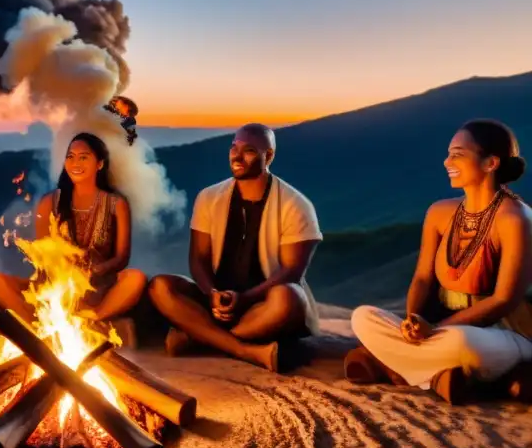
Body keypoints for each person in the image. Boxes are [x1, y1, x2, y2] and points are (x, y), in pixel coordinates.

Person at [347, 120, 532, 404]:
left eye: (458, 153)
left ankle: (393, 366)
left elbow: (504, 300)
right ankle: (440, 377)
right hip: (438, 328)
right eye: (448, 153)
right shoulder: (439, 213)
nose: (447, 161)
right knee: (362, 317)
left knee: (462, 343)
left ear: (491, 163)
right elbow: (422, 278)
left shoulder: (515, 218)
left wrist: (437, 330)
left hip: (503, 334)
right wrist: (412, 322)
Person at [148, 123, 323, 371]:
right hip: (216, 302)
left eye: (249, 150)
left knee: (290, 298)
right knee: (160, 286)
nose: (237, 156)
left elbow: (292, 271)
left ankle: (201, 336)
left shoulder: (296, 205)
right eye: (234, 147)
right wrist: (211, 294)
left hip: (262, 305)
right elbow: (199, 259)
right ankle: (244, 349)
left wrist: (245, 299)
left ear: (269, 156)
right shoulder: (209, 197)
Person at [0, 132, 148, 344]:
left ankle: (92, 320)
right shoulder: (50, 202)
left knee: (135, 278)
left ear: (99, 164)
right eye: (70, 156)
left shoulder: (116, 204)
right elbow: (43, 254)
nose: (75, 162)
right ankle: (40, 328)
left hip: (98, 290)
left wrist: (96, 270)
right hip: (55, 288)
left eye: (83, 157)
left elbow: (122, 257)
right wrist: (61, 267)